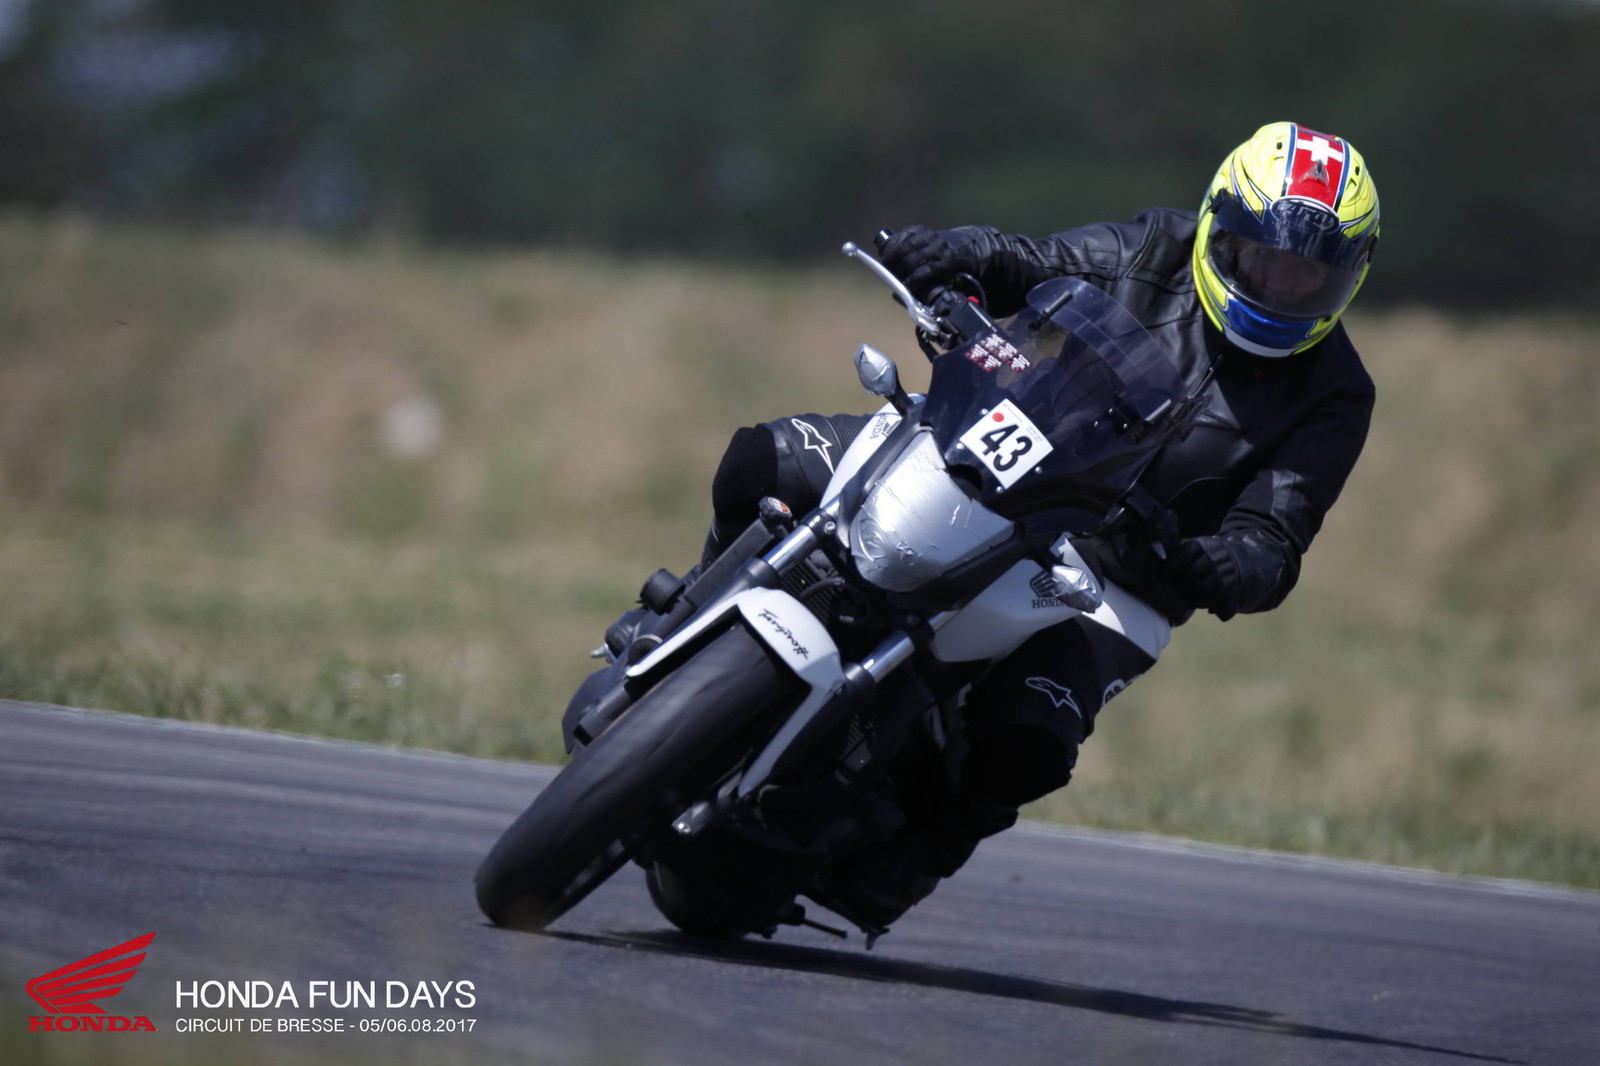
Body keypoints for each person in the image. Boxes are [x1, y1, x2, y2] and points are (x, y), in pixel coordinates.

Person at [612, 121, 1380, 930]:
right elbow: (1029, 261)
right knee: (763, 461)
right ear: (1220, 229)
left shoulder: (1335, 393)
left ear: (1349, 277)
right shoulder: (1153, 248)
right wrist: (951, 254)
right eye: (1264, 257)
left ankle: (918, 855)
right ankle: (682, 620)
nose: (1280, 285)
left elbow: (1278, 531)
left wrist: (1230, 563)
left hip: (1117, 577)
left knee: (1030, 738)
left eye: (1308, 274)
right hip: (990, 454)